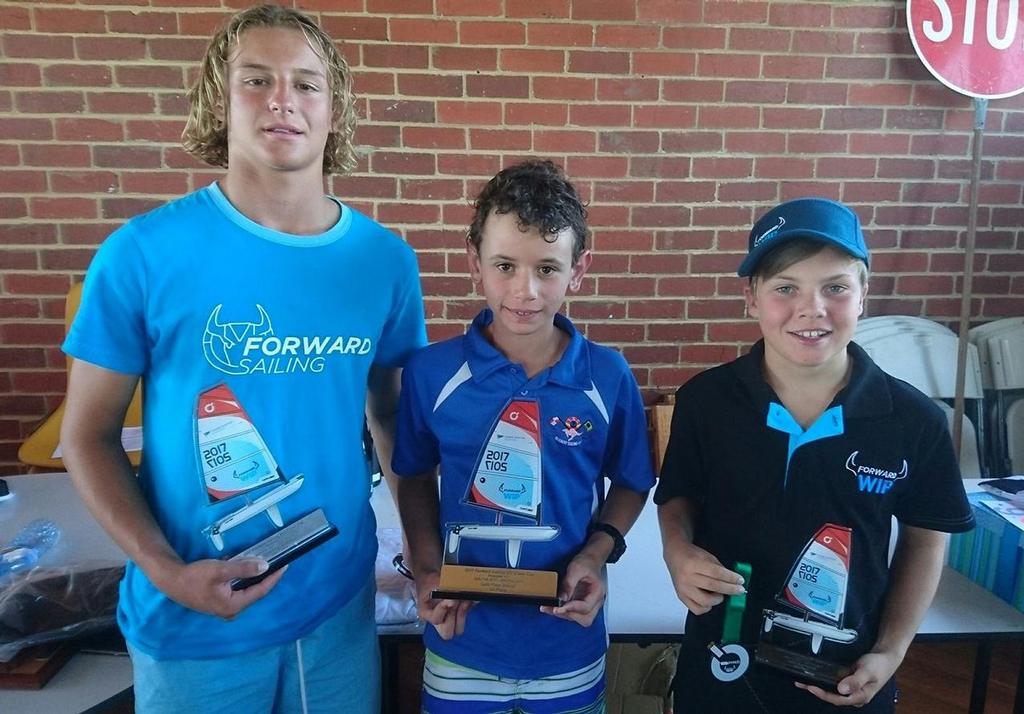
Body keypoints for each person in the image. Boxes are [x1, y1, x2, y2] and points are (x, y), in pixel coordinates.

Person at [59, 5, 426, 712]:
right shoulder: (141, 254)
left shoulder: (384, 262)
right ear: (217, 102)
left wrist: (425, 553)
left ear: (334, 111)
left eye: (306, 84)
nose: (282, 99)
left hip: (338, 615)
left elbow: (393, 418)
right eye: (255, 79)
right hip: (195, 622)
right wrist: (167, 572)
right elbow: (86, 436)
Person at [655, 197, 974, 713]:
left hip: (845, 673)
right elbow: (678, 498)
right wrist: (677, 551)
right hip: (721, 662)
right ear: (751, 298)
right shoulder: (705, 402)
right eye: (786, 288)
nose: (812, 308)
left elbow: (925, 541)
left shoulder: (915, 421)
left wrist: (891, 651)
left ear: (863, 294)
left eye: (835, 287)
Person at [392, 159, 655, 713]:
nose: (525, 291)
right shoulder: (431, 373)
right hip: (462, 643)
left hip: (567, 643)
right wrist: (425, 565)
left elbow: (632, 484)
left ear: (578, 271)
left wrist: (597, 554)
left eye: (547, 269)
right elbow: (413, 476)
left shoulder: (608, 376)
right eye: (505, 265)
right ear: (475, 264)